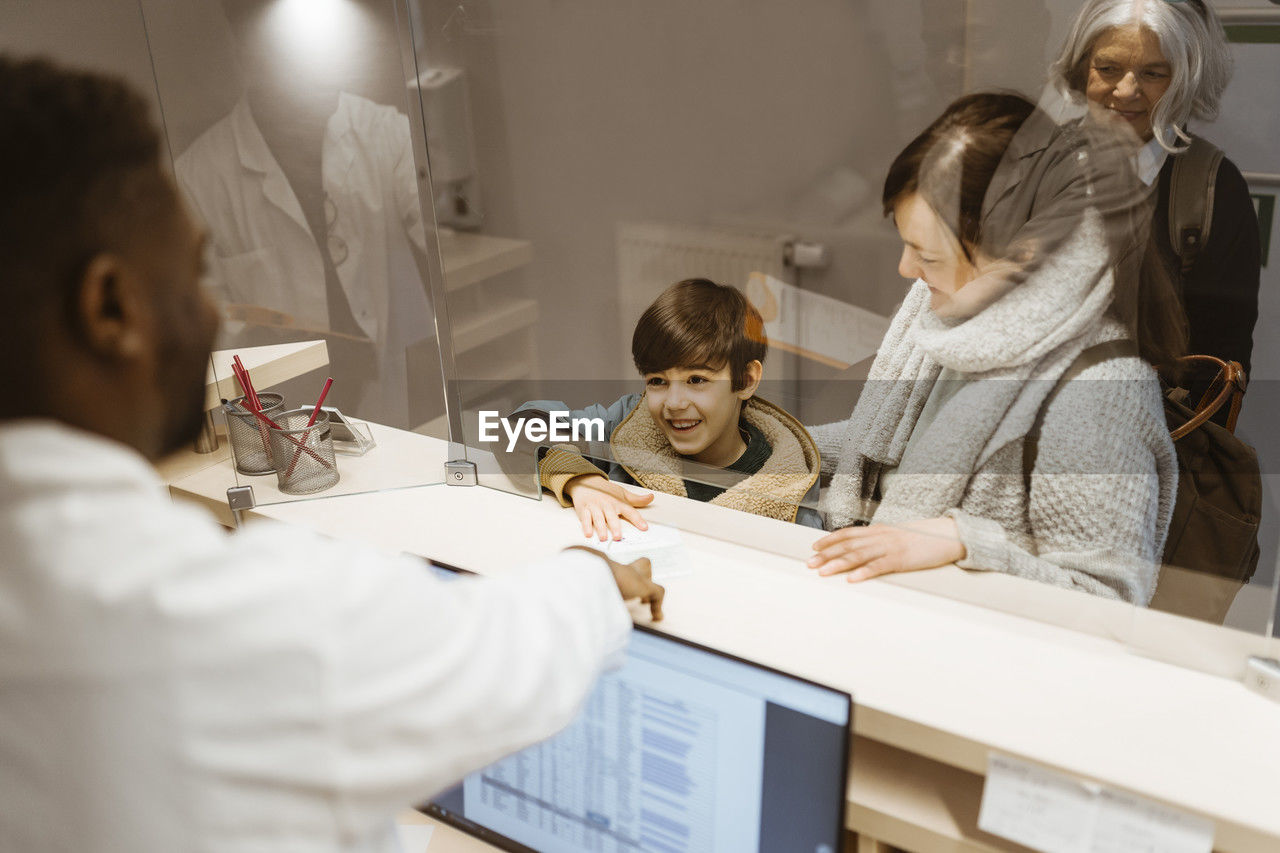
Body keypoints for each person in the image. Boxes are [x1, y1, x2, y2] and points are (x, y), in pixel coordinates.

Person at [0, 55, 663, 852]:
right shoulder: (228, 621)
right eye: (194, 271)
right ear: (112, 307)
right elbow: (500, 646)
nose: (212, 307)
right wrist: (592, 562)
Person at [807, 93, 1180, 605]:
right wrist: (757, 439)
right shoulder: (957, 321)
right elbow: (891, 447)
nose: (905, 270)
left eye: (926, 254)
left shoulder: (1099, 394)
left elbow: (1107, 600)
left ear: (1021, 251)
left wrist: (963, 541)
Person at [1052, 0, 1260, 398]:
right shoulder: (1034, 166)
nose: (1126, 90)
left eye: (1152, 73)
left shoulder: (1213, 188)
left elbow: (1221, 365)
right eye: (1108, 68)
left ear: (1183, 81)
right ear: (1081, 69)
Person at [517, 278, 822, 540]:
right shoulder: (622, 423)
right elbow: (518, 427)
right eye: (658, 381)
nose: (674, 403)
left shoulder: (791, 487)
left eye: (697, 379)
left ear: (746, 380)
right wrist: (580, 480)